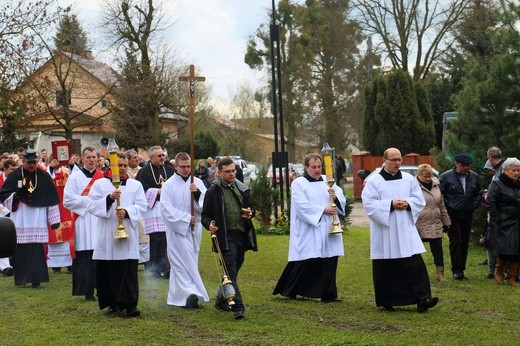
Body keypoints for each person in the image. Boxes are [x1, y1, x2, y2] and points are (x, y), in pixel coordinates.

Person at [362, 148, 438, 312]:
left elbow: (418, 199)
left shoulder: (409, 179)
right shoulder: (374, 182)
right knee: (387, 267)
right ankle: (387, 300)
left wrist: (409, 203)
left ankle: (422, 299)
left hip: (405, 229)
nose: (397, 163)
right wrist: (390, 204)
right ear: (384, 160)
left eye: (399, 160)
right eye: (394, 160)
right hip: (385, 231)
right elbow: (369, 204)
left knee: (414, 264)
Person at [273, 153, 346, 302]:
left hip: (329, 227)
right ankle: (292, 289)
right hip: (310, 227)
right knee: (306, 259)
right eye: (313, 167)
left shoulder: (328, 181)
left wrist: (335, 198)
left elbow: (341, 198)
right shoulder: (299, 183)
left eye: (319, 167)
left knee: (330, 259)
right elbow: (301, 206)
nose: (317, 170)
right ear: (306, 168)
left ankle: (328, 293)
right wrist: (322, 210)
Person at [88, 154, 147, 316]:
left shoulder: (135, 185)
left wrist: (127, 212)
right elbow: (92, 205)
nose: (121, 168)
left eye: (124, 165)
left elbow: (142, 206)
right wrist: (109, 199)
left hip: (128, 233)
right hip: (107, 234)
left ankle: (130, 304)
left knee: (128, 271)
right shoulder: (100, 184)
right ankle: (112, 303)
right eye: (118, 165)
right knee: (108, 271)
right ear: (111, 167)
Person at [201, 157, 257, 320]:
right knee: (230, 271)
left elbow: (251, 207)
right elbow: (205, 215)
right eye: (227, 172)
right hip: (225, 238)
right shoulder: (213, 192)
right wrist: (209, 224)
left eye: (233, 171)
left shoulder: (242, 188)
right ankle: (238, 307)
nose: (232, 174)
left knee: (234, 270)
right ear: (219, 173)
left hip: (241, 236)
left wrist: (250, 212)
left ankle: (220, 300)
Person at [0, 149, 61, 288]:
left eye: (34, 162)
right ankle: (21, 279)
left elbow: (51, 198)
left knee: (37, 250)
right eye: (29, 162)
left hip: (38, 217)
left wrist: (54, 219)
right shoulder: (16, 175)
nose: (32, 165)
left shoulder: (44, 176)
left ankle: (36, 280)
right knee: (20, 250)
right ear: (23, 162)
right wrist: (16, 196)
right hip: (21, 216)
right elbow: (3, 195)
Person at [161, 152, 209, 308]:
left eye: (189, 166)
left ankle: (180, 296)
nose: (186, 170)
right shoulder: (168, 185)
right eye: (183, 167)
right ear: (176, 166)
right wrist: (186, 219)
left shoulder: (198, 183)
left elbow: (205, 205)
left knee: (191, 261)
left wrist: (197, 194)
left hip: (194, 231)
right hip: (177, 230)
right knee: (178, 262)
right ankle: (192, 293)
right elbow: (166, 210)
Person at [64, 147, 105, 301]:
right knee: (85, 257)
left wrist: (97, 204)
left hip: (100, 218)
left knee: (100, 256)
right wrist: (89, 202)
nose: (92, 160)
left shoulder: (102, 177)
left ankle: (101, 288)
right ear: (82, 159)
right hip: (83, 220)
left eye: (94, 157)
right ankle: (87, 291)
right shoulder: (74, 178)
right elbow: (67, 200)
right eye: (88, 157)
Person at [439, 154, 482, 280]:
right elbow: (441, 194)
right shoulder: (446, 177)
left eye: (467, 166)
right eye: (462, 165)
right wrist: (449, 205)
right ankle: (456, 270)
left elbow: (479, 193)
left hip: (467, 213)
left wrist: (474, 205)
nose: (465, 168)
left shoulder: (474, 176)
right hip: (452, 213)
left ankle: (462, 268)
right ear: (456, 164)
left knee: (464, 241)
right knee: (456, 240)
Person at [135, 145, 175, 279]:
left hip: (167, 207)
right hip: (153, 208)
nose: (162, 157)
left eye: (163, 155)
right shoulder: (143, 172)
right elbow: (140, 191)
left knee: (167, 238)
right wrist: (157, 191)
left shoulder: (169, 170)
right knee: (156, 239)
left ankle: (167, 266)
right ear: (151, 157)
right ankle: (155, 267)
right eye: (159, 156)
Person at [486, 157, 520, 286]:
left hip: (517, 220)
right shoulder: (497, 183)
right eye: (514, 170)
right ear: (505, 170)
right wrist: (496, 219)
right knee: (505, 249)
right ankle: (498, 270)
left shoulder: (518, 184)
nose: (516, 173)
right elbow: (491, 202)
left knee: (517, 249)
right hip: (503, 221)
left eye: (518, 170)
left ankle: (512, 277)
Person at [415, 164, 451, 281]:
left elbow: (441, 205)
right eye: (425, 176)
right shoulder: (414, 187)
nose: (428, 178)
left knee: (438, 250)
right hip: (420, 223)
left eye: (429, 176)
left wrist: (446, 221)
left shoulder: (436, 186)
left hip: (435, 222)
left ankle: (440, 274)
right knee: (415, 251)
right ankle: (417, 273)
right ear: (419, 175)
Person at [46, 158, 74, 274]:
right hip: (53, 207)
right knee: (55, 238)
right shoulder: (47, 171)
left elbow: (76, 178)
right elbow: (46, 180)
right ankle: (55, 266)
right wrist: (51, 168)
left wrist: (71, 165)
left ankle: (70, 263)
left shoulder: (67, 171)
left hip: (66, 207)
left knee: (68, 238)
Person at [125, 149, 149, 265]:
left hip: (140, 205)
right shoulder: (125, 172)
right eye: (134, 158)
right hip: (128, 206)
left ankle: (145, 260)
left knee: (144, 233)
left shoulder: (142, 171)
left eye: (137, 157)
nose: (137, 159)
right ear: (128, 160)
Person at [0, 159, 17, 277]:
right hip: (2, 213)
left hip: (13, 212)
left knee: (10, 239)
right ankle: (5, 267)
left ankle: (9, 264)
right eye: (12, 170)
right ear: (5, 169)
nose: (13, 172)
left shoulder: (17, 180)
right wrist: (5, 211)